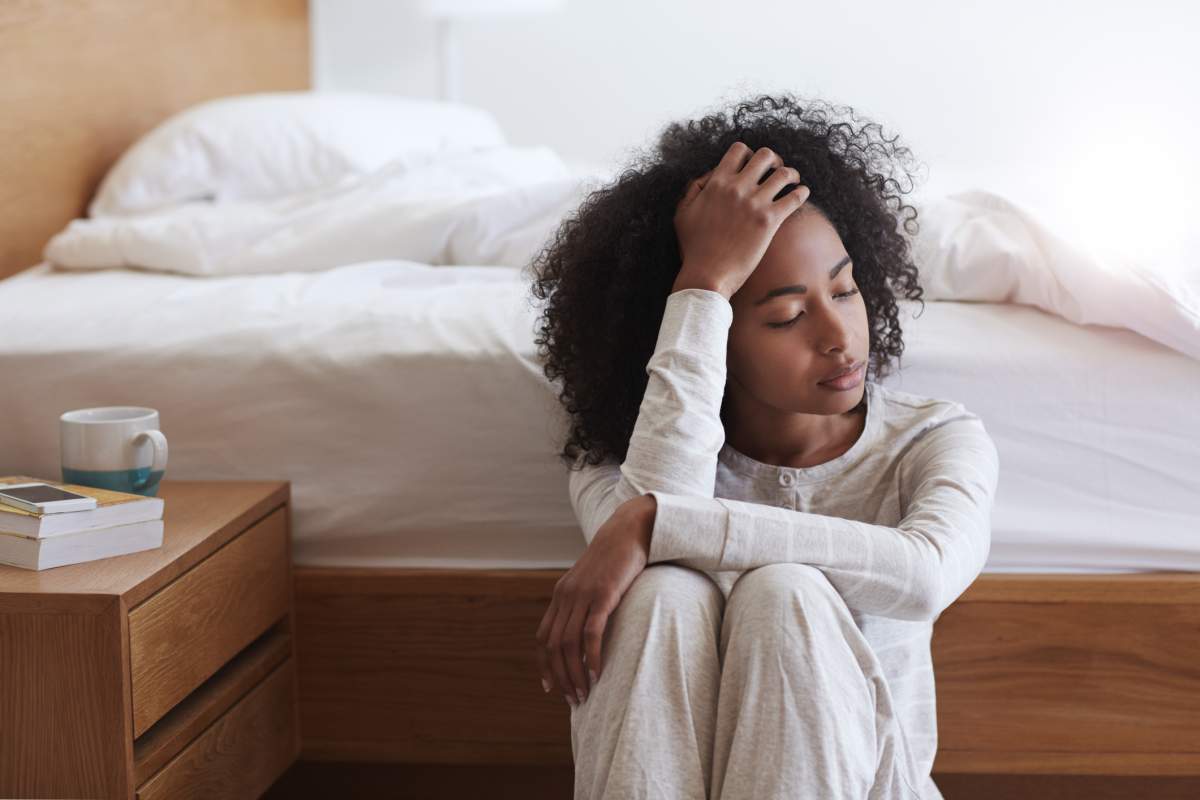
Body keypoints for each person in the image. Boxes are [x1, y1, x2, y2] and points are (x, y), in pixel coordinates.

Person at [529, 93, 1000, 800]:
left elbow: (926, 575)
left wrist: (658, 521)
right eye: (785, 316)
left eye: (844, 290)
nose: (839, 336)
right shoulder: (622, 465)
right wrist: (703, 283)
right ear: (713, 332)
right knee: (658, 593)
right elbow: (660, 508)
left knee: (786, 592)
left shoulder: (933, 440)